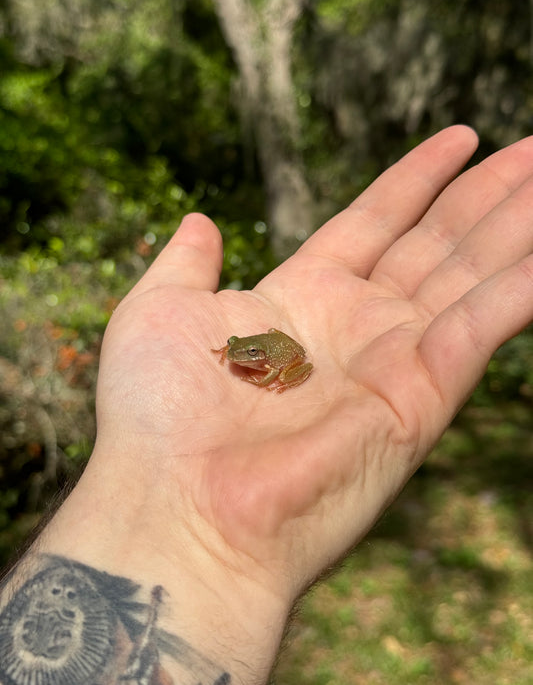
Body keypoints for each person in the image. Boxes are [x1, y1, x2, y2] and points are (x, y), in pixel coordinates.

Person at [0, 126, 532, 685]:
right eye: (235, 352)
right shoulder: (239, 350)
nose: (236, 358)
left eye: (242, 354)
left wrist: (277, 376)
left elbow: (285, 358)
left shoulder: (271, 359)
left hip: (291, 351)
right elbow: (241, 346)